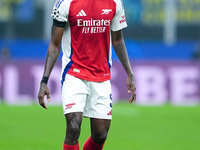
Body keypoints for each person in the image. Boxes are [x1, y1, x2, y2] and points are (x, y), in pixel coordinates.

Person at [38, 0, 136, 149]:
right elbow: (54, 44)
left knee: (100, 135)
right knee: (73, 127)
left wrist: (130, 73)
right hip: (74, 74)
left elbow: (117, 40)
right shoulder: (65, 3)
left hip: (101, 76)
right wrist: (44, 80)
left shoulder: (114, 3)